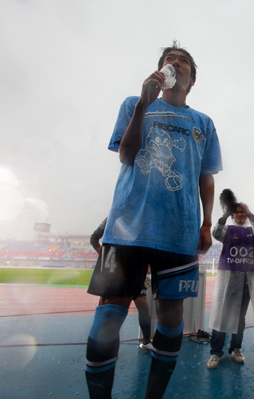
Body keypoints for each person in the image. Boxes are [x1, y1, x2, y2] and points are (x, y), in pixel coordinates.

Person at [84, 42, 222, 399]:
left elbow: (207, 177)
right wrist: (145, 102)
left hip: (179, 233)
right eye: (169, 60)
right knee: (109, 317)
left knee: (172, 317)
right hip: (127, 227)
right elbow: (126, 156)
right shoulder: (135, 104)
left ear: (192, 80)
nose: (176, 63)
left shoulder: (203, 123)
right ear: (161, 72)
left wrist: (207, 223)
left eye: (183, 61)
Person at [207, 196, 254, 369]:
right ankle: (215, 352)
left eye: (242, 212)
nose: (240, 214)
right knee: (221, 315)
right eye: (237, 212)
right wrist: (225, 214)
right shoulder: (227, 229)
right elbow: (216, 233)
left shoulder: (253, 229)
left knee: (239, 318)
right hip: (228, 281)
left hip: (247, 282)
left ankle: (235, 349)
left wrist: (251, 214)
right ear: (232, 215)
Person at [90, 217, 152, 352]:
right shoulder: (112, 217)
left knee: (144, 308)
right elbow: (94, 238)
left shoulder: (143, 217)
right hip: (114, 274)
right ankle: (106, 347)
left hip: (135, 273)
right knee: (110, 310)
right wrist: (106, 257)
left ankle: (147, 341)